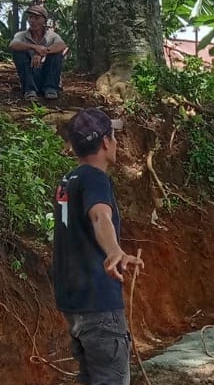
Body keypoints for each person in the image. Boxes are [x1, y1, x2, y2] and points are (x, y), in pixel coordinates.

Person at [53, 108, 144, 385]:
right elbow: (99, 215)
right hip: (99, 304)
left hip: (73, 303)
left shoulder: (67, 181)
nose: (116, 142)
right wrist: (114, 250)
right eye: (114, 136)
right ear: (105, 142)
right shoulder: (95, 179)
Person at [9, 5, 65, 101]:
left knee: (56, 53)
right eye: (30, 17)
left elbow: (61, 45)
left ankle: (50, 88)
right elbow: (13, 44)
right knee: (19, 53)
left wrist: (42, 52)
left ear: (44, 20)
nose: (33, 21)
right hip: (30, 75)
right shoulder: (21, 35)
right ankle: (29, 90)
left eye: (37, 18)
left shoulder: (52, 36)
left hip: (48, 74)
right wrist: (35, 47)